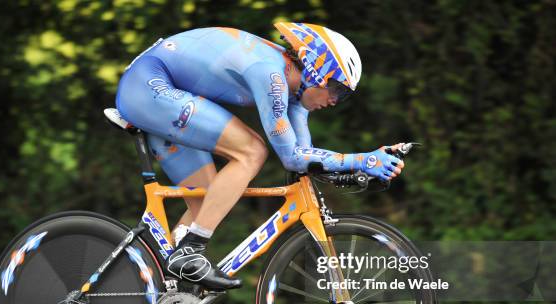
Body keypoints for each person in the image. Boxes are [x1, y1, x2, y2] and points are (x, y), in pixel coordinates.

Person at [115, 23, 404, 290]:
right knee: (252, 151)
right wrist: (362, 160)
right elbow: (291, 157)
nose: (334, 101)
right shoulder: (271, 75)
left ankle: (152, 292)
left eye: (344, 97)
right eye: (337, 90)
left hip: (160, 94)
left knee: (209, 201)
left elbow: (305, 158)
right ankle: (190, 252)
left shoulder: (295, 97)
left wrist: (350, 169)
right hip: (148, 86)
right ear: (317, 71)